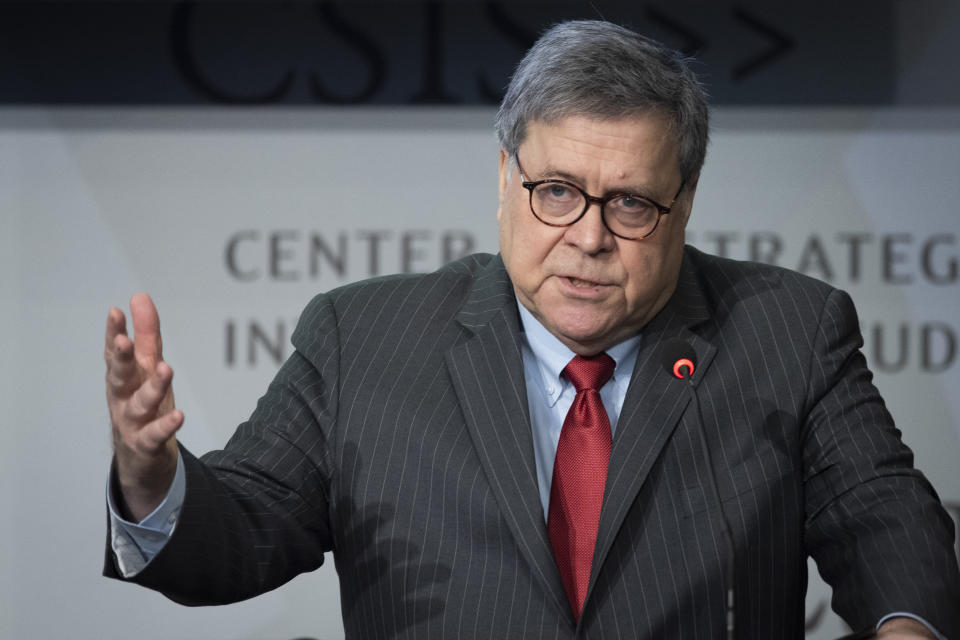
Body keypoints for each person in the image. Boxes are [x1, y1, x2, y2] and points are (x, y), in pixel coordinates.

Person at [103, 20, 960, 639]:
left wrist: (907, 630)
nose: (588, 237)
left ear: (684, 203)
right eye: (557, 191)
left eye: (629, 202)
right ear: (506, 177)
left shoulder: (790, 331)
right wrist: (153, 478)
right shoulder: (361, 339)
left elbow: (888, 518)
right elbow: (244, 533)